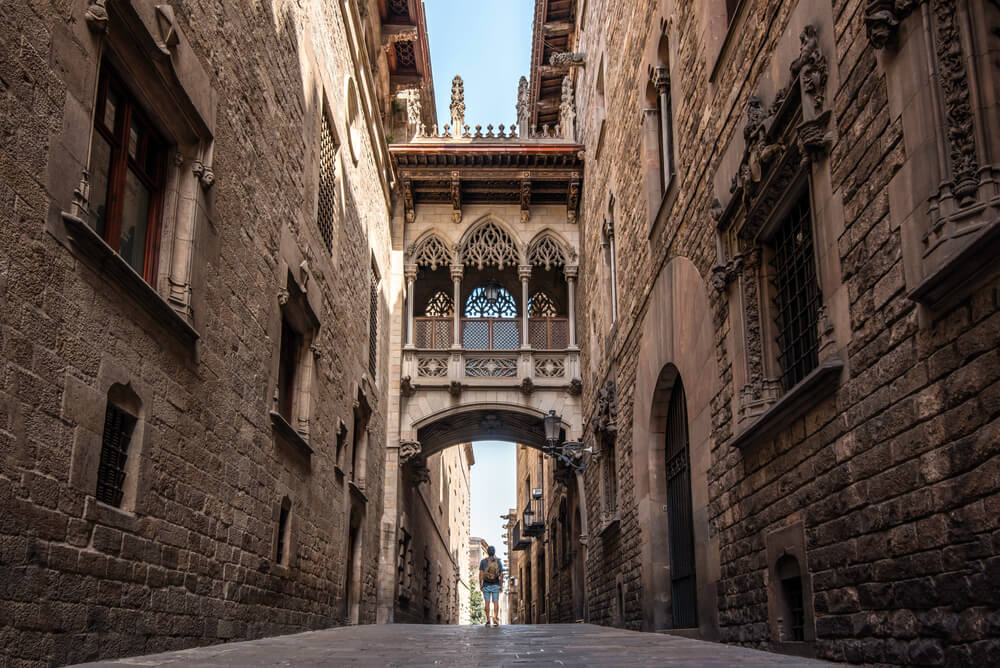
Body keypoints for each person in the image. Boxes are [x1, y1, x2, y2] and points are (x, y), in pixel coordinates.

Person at [478, 545, 503, 627]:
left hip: (486, 585)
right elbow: (501, 574)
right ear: (494, 552)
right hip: (495, 584)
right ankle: (495, 618)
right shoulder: (498, 561)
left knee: (487, 603)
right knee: (495, 602)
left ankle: (488, 619)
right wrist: (501, 585)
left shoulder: (483, 561)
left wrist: (480, 584)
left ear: (487, 552)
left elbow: (481, 574)